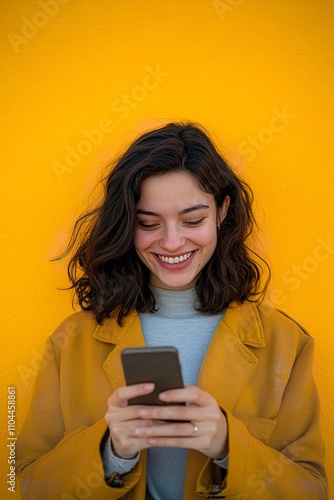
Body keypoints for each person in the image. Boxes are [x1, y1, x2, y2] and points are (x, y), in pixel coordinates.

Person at [17, 122, 328, 499]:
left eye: (193, 220)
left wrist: (231, 448)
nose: (172, 241)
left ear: (222, 211)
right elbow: (29, 483)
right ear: (128, 224)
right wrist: (112, 452)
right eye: (148, 223)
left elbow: (312, 489)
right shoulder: (71, 342)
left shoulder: (285, 343)